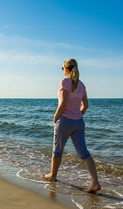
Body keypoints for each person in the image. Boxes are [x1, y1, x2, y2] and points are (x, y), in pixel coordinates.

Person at [42, 58, 101, 193]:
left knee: (57, 150)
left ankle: (53, 176)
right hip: (79, 122)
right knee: (84, 153)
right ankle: (95, 183)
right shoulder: (81, 85)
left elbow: (63, 103)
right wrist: (77, 115)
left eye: (63, 69)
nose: (63, 71)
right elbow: (85, 106)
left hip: (65, 120)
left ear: (67, 69)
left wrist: (56, 117)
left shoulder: (65, 82)